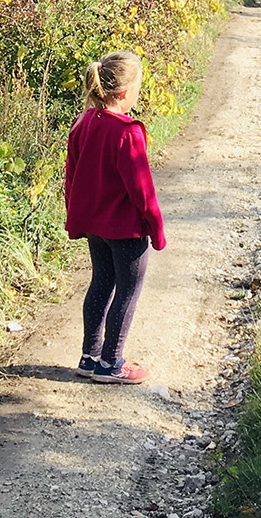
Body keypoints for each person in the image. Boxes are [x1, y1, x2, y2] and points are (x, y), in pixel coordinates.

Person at [63, 49, 166, 384]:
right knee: (127, 290)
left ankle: (90, 357)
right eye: (137, 88)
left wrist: (74, 214)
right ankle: (111, 364)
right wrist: (156, 228)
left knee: (101, 284)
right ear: (125, 93)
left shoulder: (83, 123)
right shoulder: (127, 132)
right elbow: (142, 191)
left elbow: (72, 175)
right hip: (126, 230)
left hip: (95, 226)